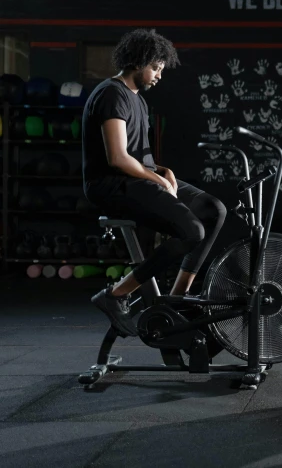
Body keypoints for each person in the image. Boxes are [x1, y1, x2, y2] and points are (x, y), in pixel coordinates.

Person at [82, 29, 227, 337]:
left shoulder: (139, 102)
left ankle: (175, 300)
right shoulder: (111, 94)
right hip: (111, 184)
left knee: (213, 210)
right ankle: (116, 295)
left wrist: (166, 173)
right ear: (139, 61)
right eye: (157, 67)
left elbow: (142, 158)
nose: (160, 75)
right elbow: (118, 159)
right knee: (191, 231)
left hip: (136, 179)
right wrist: (157, 180)